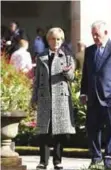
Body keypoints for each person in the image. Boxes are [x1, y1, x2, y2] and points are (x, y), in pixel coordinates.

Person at [80, 20, 111, 170]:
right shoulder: (89, 50)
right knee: (92, 129)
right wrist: (83, 92)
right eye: (93, 35)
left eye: (97, 35)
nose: (95, 37)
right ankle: (95, 158)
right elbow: (86, 74)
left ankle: (109, 161)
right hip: (93, 98)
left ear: (106, 33)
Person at [31, 27, 76, 170]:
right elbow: (37, 79)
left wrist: (68, 72)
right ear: (48, 40)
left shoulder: (67, 57)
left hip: (61, 98)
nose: (55, 42)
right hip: (45, 97)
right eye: (52, 39)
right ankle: (43, 161)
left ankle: (57, 161)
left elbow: (72, 78)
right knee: (44, 131)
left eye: (58, 39)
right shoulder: (41, 56)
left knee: (59, 131)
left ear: (62, 40)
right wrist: (34, 97)